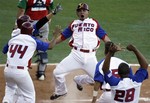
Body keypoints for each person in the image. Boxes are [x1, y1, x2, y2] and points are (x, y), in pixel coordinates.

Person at [50, 3, 111, 100]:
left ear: (88, 12)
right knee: (57, 73)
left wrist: (111, 44)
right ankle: (61, 91)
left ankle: (79, 79)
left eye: (84, 10)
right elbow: (62, 37)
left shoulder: (94, 23)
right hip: (75, 56)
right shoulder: (73, 24)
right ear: (77, 13)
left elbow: (104, 36)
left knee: (101, 80)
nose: (82, 12)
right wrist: (51, 43)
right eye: (79, 10)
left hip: (91, 56)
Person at [2, 21, 61, 103]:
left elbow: (4, 50)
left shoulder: (13, 39)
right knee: (29, 96)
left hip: (7, 70)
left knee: (10, 88)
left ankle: (7, 101)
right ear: (31, 31)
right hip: (20, 72)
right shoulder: (33, 40)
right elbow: (50, 46)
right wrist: (55, 36)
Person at [15, 0, 56, 80]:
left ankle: (22, 69)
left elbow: (22, 11)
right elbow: (52, 10)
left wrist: (17, 25)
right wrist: (48, 21)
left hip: (28, 24)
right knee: (42, 48)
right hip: (44, 23)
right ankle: (41, 74)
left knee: (25, 46)